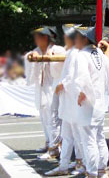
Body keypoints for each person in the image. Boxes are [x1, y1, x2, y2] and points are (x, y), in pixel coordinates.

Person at [45, 25, 84, 177]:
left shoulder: (78, 52)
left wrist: (63, 84)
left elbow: (78, 76)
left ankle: (80, 164)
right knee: (67, 135)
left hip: (73, 98)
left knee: (78, 135)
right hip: (67, 99)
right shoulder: (70, 51)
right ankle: (63, 165)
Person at [74, 26, 109, 178]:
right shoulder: (100, 55)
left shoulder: (82, 55)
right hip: (100, 102)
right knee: (99, 137)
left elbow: (83, 78)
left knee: (89, 139)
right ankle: (102, 171)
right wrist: (107, 50)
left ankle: (92, 172)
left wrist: (83, 93)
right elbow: (108, 72)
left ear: (85, 39)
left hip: (89, 103)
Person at [25, 26, 65, 159]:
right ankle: (49, 142)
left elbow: (63, 66)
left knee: (53, 119)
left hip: (53, 87)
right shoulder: (36, 51)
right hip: (41, 88)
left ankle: (55, 147)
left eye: (38, 37)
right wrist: (33, 58)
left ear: (46, 38)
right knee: (43, 117)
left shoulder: (58, 50)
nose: (36, 40)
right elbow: (29, 62)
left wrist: (48, 58)